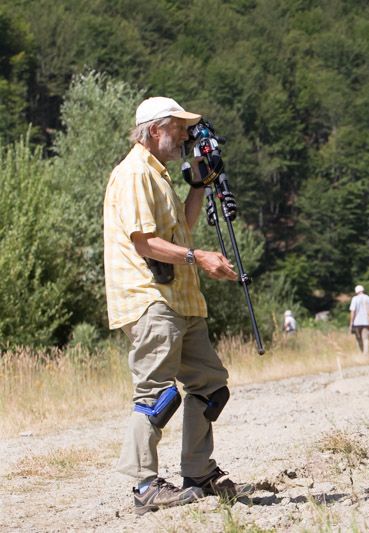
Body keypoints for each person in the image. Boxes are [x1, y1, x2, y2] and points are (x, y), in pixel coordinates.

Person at [103, 96, 253, 515]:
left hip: (180, 300)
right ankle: (144, 485)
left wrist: (199, 187)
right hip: (150, 297)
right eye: (179, 128)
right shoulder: (134, 173)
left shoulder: (159, 175)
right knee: (155, 393)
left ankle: (198, 473)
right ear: (155, 130)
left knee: (210, 383)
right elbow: (145, 242)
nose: (186, 136)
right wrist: (200, 258)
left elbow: (182, 229)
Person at [349, 284, 369, 354]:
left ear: (356, 291)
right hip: (367, 322)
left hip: (356, 323)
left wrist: (351, 322)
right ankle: (366, 354)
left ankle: (361, 353)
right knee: (366, 339)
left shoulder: (354, 299)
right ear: (363, 290)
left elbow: (352, 312)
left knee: (358, 339)